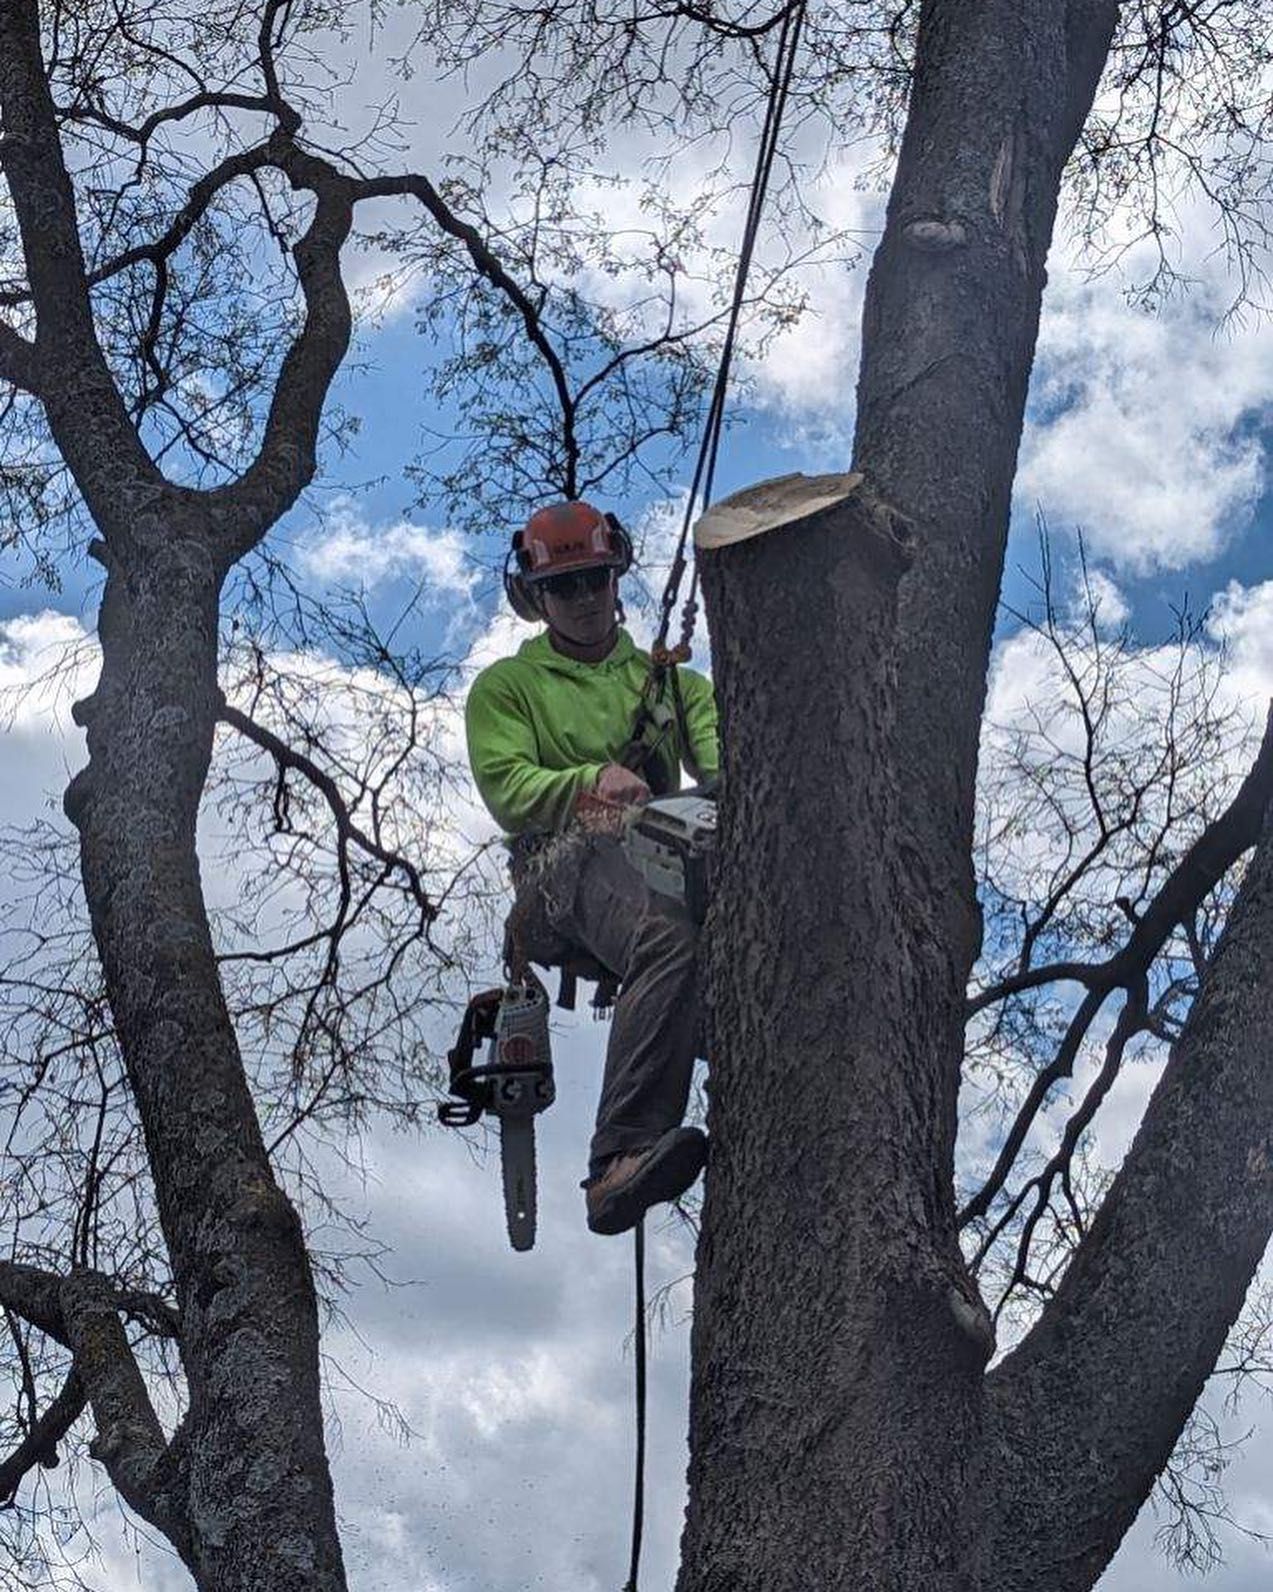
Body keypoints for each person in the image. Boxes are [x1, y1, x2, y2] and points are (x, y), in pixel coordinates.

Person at [465, 500, 719, 1235]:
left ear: (616, 579)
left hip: (660, 861)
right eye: (562, 588)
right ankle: (619, 1160)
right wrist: (585, 785)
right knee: (666, 940)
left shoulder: (670, 683)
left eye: (593, 582)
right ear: (534, 597)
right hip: (561, 869)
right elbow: (509, 787)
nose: (580, 600)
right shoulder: (508, 689)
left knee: (713, 950)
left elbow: (725, 759)